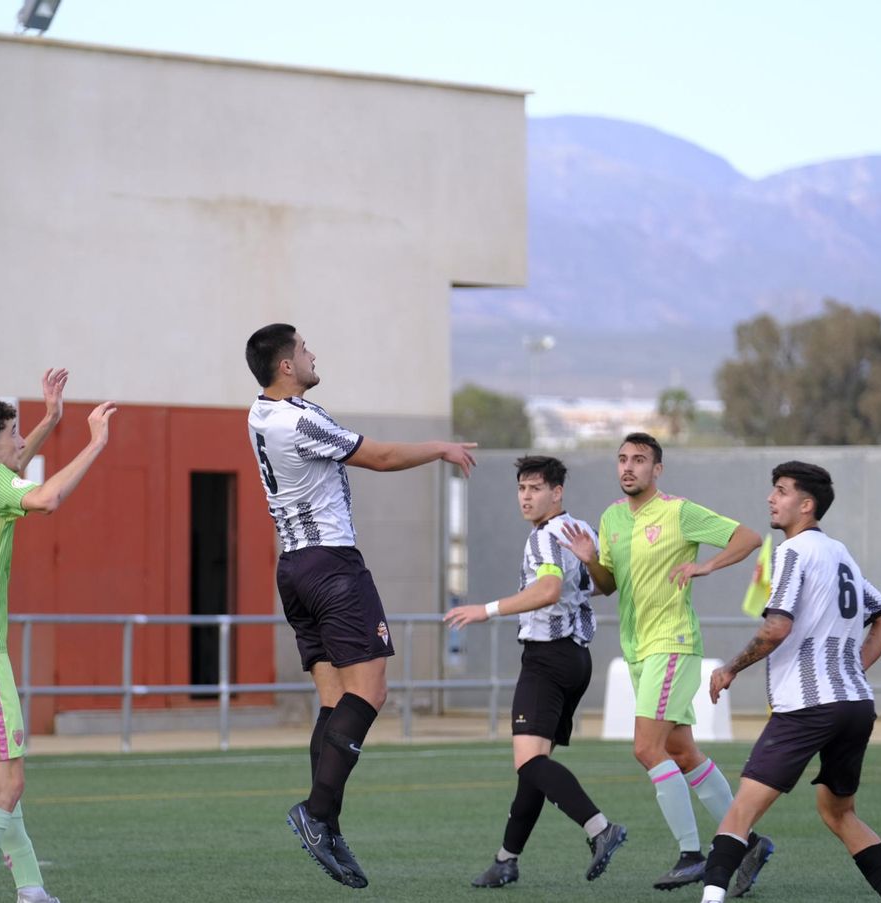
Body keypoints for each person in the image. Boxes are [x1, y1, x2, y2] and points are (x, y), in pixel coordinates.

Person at [244, 324, 476, 889]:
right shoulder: (299, 419)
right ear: (285, 366)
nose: (312, 354)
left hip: (294, 569)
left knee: (334, 701)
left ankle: (328, 824)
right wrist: (440, 448)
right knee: (370, 693)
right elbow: (383, 456)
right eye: (304, 349)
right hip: (332, 567)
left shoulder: (259, 413)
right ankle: (316, 813)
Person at [0, 369, 117, 903]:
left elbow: (8, 469)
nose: (20, 442)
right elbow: (46, 498)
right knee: (8, 785)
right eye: (13, 434)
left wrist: (51, 418)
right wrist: (94, 444)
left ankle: (32, 890)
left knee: (3, 781)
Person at [560, 432, 770, 891]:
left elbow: (749, 537)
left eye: (639, 459)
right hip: (638, 649)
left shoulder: (678, 511)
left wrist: (706, 566)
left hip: (672, 643)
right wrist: (590, 561)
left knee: (645, 748)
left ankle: (692, 854)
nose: (628, 466)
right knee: (681, 752)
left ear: (657, 469)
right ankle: (750, 842)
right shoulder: (611, 518)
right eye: (622, 459)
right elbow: (609, 585)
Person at [701, 462, 881, 903]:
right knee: (839, 813)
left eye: (781, 491)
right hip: (856, 705)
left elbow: (777, 626)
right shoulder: (840, 553)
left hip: (807, 706)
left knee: (741, 811)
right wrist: (851, 668)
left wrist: (731, 667)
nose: (770, 498)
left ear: (806, 505)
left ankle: (710, 898)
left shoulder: (793, 551)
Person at [445, 456, 628, 887]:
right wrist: (590, 563)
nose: (526, 497)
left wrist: (487, 610)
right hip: (576, 659)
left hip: (548, 659)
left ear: (557, 492)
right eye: (521, 488)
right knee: (536, 764)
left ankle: (601, 829)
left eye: (535, 488)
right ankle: (506, 860)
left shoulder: (545, 537)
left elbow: (547, 590)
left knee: (529, 764)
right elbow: (607, 585)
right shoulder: (580, 530)